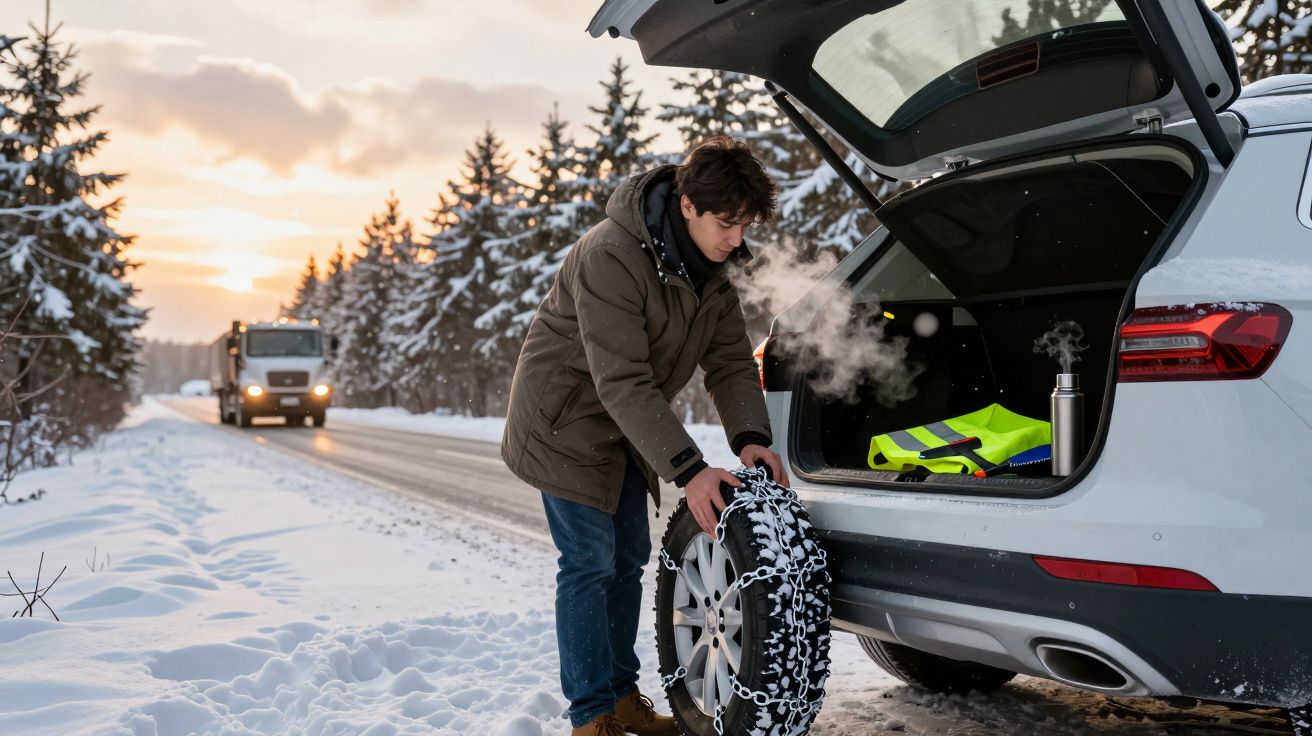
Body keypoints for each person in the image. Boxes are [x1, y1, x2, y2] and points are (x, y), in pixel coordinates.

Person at [501, 136, 789, 736]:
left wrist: (750, 437)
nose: (736, 238)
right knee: (589, 563)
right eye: (726, 222)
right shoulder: (612, 254)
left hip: (627, 425)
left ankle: (621, 694)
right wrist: (690, 469)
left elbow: (732, 360)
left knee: (628, 561)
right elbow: (623, 380)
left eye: (745, 224)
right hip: (566, 423)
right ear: (687, 205)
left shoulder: (715, 269)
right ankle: (590, 717)